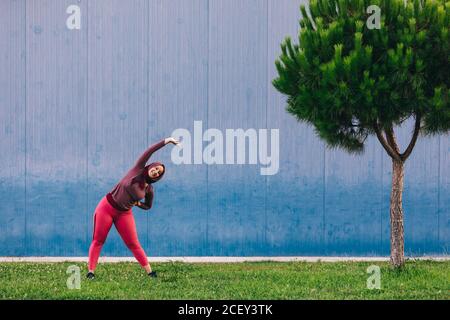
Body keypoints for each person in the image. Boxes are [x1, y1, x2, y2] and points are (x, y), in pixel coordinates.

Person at [86, 137, 180, 280]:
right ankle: (91, 272)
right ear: (150, 166)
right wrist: (167, 141)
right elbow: (150, 151)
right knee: (98, 240)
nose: (156, 172)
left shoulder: (149, 189)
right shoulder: (138, 168)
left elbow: (148, 206)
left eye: (159, 173)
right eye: (155, 168)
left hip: (124, 214)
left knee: (134, 244)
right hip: (107, 207)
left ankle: (150, 272)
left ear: (158, 177)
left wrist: (138, 204)